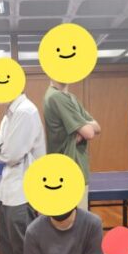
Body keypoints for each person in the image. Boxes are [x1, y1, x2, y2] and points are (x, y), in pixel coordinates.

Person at [0, 93, 46, 254]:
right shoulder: (9, 114)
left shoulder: (25, 111)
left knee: (22, 244)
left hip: (23, 190)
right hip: (7, 188)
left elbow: (9, 155)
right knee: (6, 242)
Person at [43, 81, 101, 210]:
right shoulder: (57, 97)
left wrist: (82, 127)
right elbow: (90, 133)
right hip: (69, 171)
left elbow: (97, 127)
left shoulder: (71, 98)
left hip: (74, 169)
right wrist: (83, 128)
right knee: (74, 220)